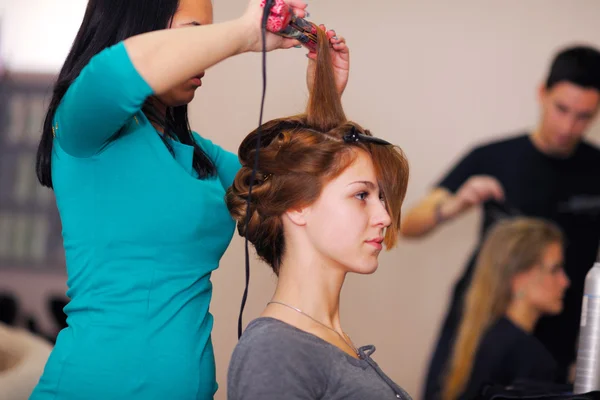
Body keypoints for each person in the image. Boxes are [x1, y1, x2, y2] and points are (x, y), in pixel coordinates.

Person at [30, 0, 349, 398]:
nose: (206, 55)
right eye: (194, 31)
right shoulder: (83, 124)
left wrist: (326, 99)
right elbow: (114, 70)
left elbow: (293, 188)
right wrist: (245, 33)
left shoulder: (193, 151)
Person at [400, 45, 600, 399]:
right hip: (480, 323)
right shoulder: (492, 157)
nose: (569, 126)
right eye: (562, 109)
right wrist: (456, 205)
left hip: (557, 327)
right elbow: (408, 225)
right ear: (543, 93)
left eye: (584, 116)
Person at [225, 27, 412, 400]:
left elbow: (326, 166)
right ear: (297, 207)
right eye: (361, 195)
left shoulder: (324, 339)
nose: (385, 217)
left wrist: (327, 105)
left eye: (381, 197)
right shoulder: (276, 352)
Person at [442, 218, 569, 400]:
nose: (565, 282)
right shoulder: (530, 359)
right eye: (554, 269)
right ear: (519, 278)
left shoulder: (479, 338)